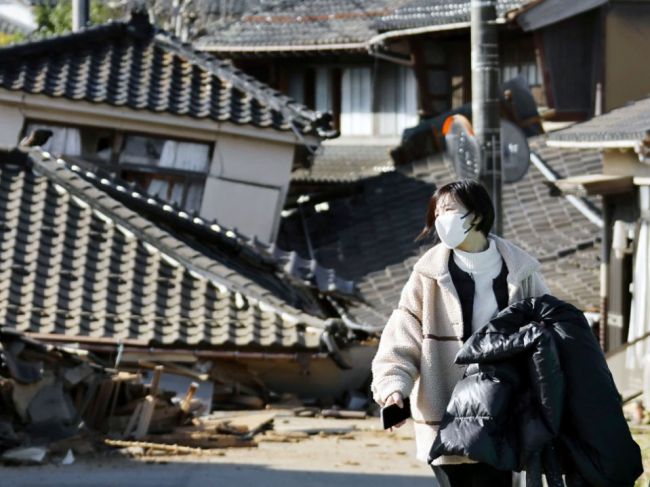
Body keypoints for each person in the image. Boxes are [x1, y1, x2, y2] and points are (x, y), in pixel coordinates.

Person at [370, 180, 550, 487]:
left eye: (449, 209)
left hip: (504, 406)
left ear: (476, 215)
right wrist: (392, 388)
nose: (441, 219)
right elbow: (402, 335)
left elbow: (550, 331)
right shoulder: (427, 275)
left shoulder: (521, 271)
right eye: (436, 212)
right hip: (446, 411)